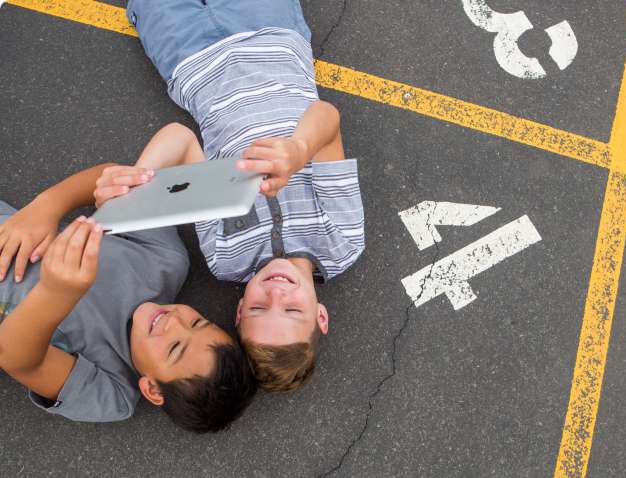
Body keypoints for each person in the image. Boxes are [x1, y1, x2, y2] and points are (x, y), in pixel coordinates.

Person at [102, 0, 365, 392]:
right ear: (320, 316)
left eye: (260, 308)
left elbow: (182, 141)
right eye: (293, 309)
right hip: (272, 34)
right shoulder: (341, 242)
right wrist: (298, 149)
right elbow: (327, 118)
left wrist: (136, 184)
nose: (276, 292)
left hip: (189, 59)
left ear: (240, 311)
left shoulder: (227, 256)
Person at [0, 154, 257, 432]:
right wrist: (47, 206)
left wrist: (56, 293)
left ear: (153, 390)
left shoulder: (113, 393)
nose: (175, 322)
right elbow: (121, 179)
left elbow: (17, 359)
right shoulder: (164, 261)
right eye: (198, 322)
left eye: (174, 348)